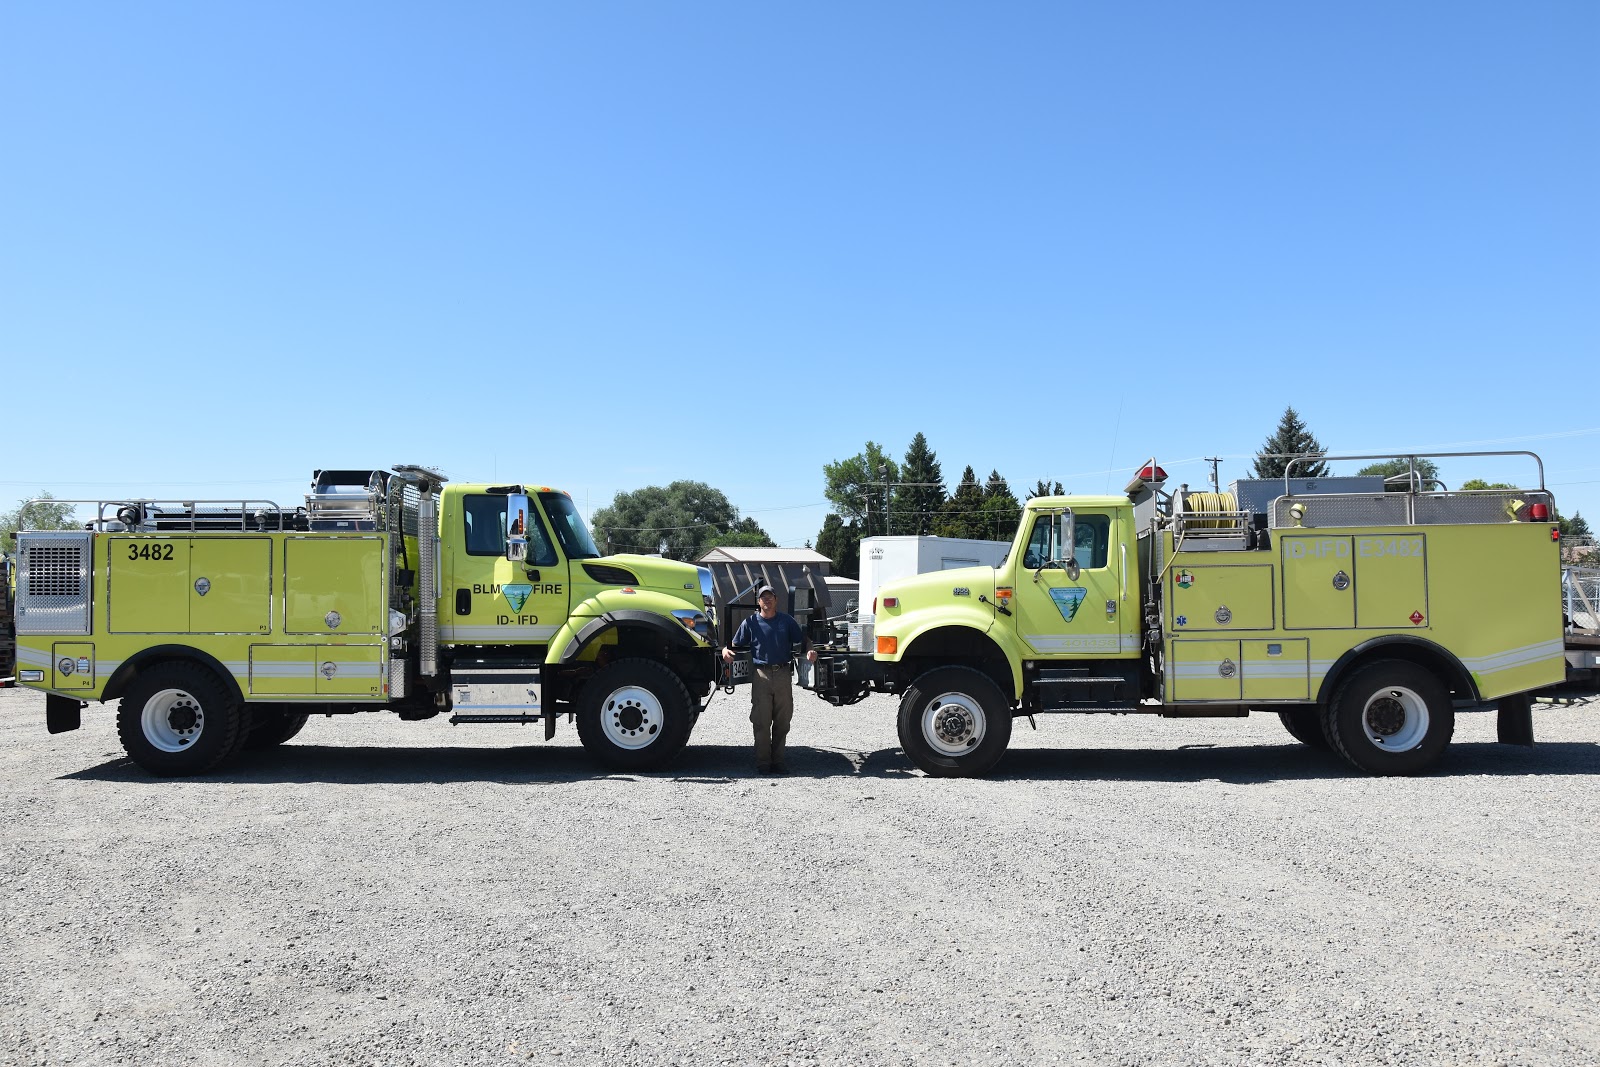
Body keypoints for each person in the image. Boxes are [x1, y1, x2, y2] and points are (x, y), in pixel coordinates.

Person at [723, 584, 816, 774]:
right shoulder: (750, 623)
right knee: (761, 721)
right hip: (761, 676)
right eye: (763, 597)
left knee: (783, 721)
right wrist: (725, 650)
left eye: (770, 596)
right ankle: (763, 763)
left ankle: (779, 761)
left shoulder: (786, 621)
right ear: (758, 602)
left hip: (783, 674)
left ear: (776, 600)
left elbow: (804, 640)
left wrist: (810, 650)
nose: (767, 600)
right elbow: (733, 644)